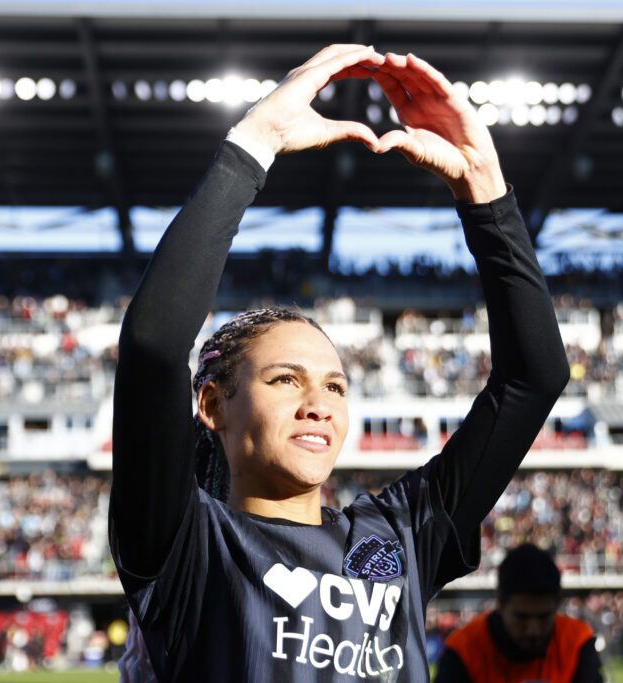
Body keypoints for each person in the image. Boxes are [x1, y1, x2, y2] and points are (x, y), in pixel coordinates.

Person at [109, 43, 569, 682]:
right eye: (284, 379)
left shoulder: (403, 536)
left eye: (334, 385)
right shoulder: (185, 548)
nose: (317, 403)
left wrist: (485, 191)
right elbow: (156, 345)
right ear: (213, 405)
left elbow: (534, 379)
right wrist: (254, 145)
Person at [435, 545, 603, 683]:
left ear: (558, 603)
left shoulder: (576, 641)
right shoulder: (463, 649)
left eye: (543, 617)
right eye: (521, 617)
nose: (533, 630)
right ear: (500, 603)